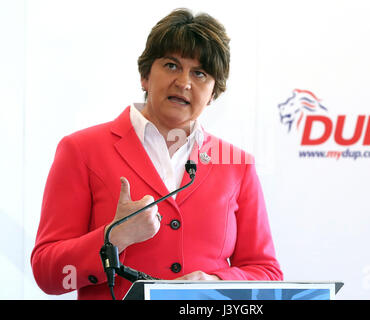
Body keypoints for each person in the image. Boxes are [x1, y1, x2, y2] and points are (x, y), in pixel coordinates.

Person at [31, 8, 283, 300]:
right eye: (172, 66)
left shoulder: (237, 164)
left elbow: (267, 272)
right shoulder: (81, 150)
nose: (184, 82)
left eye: (200, 73)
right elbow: (47, 273)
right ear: (145, 76)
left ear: (213, 93)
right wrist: (114, 237)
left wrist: (216, 280)